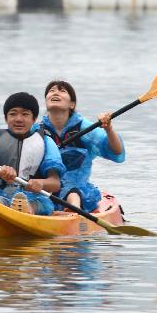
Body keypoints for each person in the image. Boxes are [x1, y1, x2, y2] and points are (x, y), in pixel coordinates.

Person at [0, 92, 65, 215]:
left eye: (25, 114)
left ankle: (26, 211)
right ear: (6, 118)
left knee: (38, 205)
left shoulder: (46, 142)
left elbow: (55, 183)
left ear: (34, 119)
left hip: (33, 197)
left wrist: (40, 183)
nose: (18, 119)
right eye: (13, 114)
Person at [38, 80, 125, 214]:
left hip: (77, 189)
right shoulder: (37, 130)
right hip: (47, 187)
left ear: (72, 104)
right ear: (46, 101)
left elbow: (116, 151)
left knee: (72, 191)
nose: (55, 92)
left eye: (62, 91)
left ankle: (73, 211)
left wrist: (109, 129)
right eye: (51, 91)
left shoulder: (84, 128)